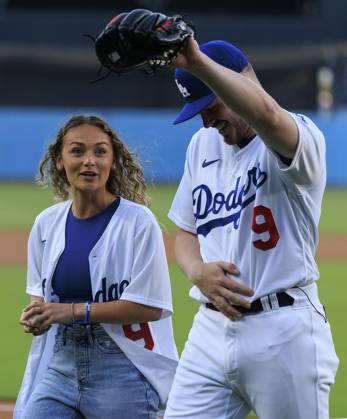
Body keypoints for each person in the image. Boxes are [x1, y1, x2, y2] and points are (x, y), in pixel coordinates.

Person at [164, 38, 339, 418]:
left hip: (284, 332)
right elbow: (184, 232)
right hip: (210, 330)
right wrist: (197, 272)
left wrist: (195, 60)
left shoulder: (297, 137)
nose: (207, 121)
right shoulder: (201, 145)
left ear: (240, 82)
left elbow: (267, 115)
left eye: (211, 106)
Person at [14, 115, 178, 419]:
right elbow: (39, 296)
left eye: (100, 152)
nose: (89, 161)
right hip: (61, 367)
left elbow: (151, 306)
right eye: (77, 151)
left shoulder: (139, 223)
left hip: (122, 369)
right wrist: (36, 314)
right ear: (60, 161)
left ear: (113, 162)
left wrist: (74, 311)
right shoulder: (46, 224)